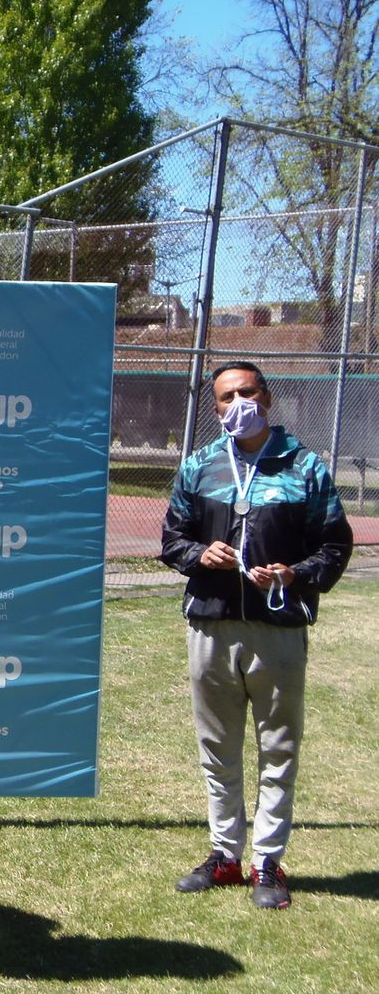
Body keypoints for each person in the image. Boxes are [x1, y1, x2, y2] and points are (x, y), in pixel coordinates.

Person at [160, 360, 351, 909]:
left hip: (278, 627)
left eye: (246, 393)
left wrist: (295, 574)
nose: (237, 403)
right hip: (212, 623)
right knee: (217, 748)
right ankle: (225, 855)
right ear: (214, 408)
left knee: (278, 745)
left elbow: (335, 546)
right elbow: (173, 538)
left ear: (265, 398)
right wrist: (201, 553)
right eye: (225, 397)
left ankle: (268, 861)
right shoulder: (200, 466)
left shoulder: (304, 466)